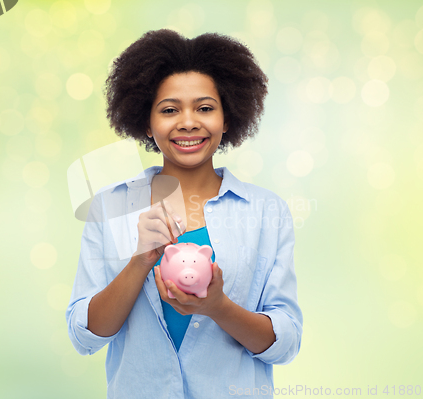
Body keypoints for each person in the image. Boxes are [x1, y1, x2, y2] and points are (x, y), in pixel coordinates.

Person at [66, 29, 303, 398]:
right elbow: (85, 336)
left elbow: (285, 342)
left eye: (205, 108)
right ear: (146, 122)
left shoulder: (265, 211)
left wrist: (218, 307)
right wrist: (139, 262)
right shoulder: (110, 208)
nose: (188, 122)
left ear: (228, 118)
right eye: (169, 109)